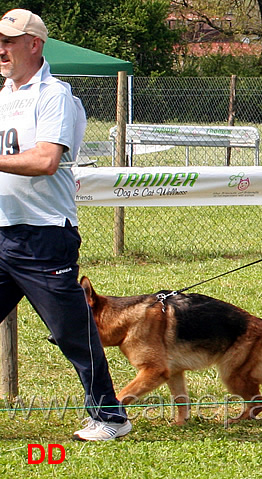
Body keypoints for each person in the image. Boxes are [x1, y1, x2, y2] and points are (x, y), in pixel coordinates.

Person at [0, 9, 131, 440]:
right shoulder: (3, 95)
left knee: (74, 335)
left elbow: (45, 160)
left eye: (9, 41)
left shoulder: (53, 95)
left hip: (43, 236)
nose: (1, 49)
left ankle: (111, 418)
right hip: (3, 232)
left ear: (34, 45)